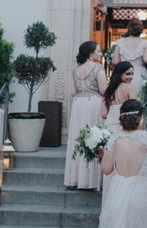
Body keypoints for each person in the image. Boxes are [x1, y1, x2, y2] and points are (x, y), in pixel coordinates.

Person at [98, 99, 147, 228]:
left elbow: (106, 169)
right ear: (141, 117)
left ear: (121, 118)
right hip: (140, 193)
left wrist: (102, 154)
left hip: (117, 192)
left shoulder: (114, 138)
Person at [64, 40, 107, 190]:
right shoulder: (98, 68)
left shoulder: (75, 69)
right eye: (99, 51)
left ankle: (74, 179)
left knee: (77, 139)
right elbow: (103, 90)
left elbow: (72, 92)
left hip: (78, 104)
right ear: (90, 53)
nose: (101, 54)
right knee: (94, 139)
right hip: (93, 103)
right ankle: (90, 181)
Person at [112, 18, 147, 96]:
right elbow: (146, 59)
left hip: (124, 73)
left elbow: (115, 62)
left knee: (124, 97)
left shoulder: (120, 42)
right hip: (140, 74)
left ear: (129, 28)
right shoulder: (145, 43)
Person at [101, 61, 138, 133]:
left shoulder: (108, 91)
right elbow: (135, 112)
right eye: (128, 74)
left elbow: (104, 114)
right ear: (120, 73)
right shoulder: (130, 88)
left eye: (132, 74)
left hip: (109, 127)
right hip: (125, 126)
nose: (131, 77)